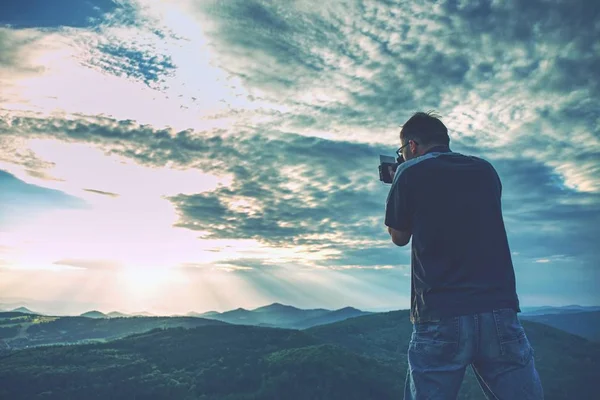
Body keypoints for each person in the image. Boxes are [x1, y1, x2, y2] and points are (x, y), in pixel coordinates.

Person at [385, 111, 544, 399]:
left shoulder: (409, 172)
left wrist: (398, 182)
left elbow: (399, 236)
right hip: (499, 308)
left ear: (411, 146)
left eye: (402, 151)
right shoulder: (485, 170)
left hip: (440, 313)